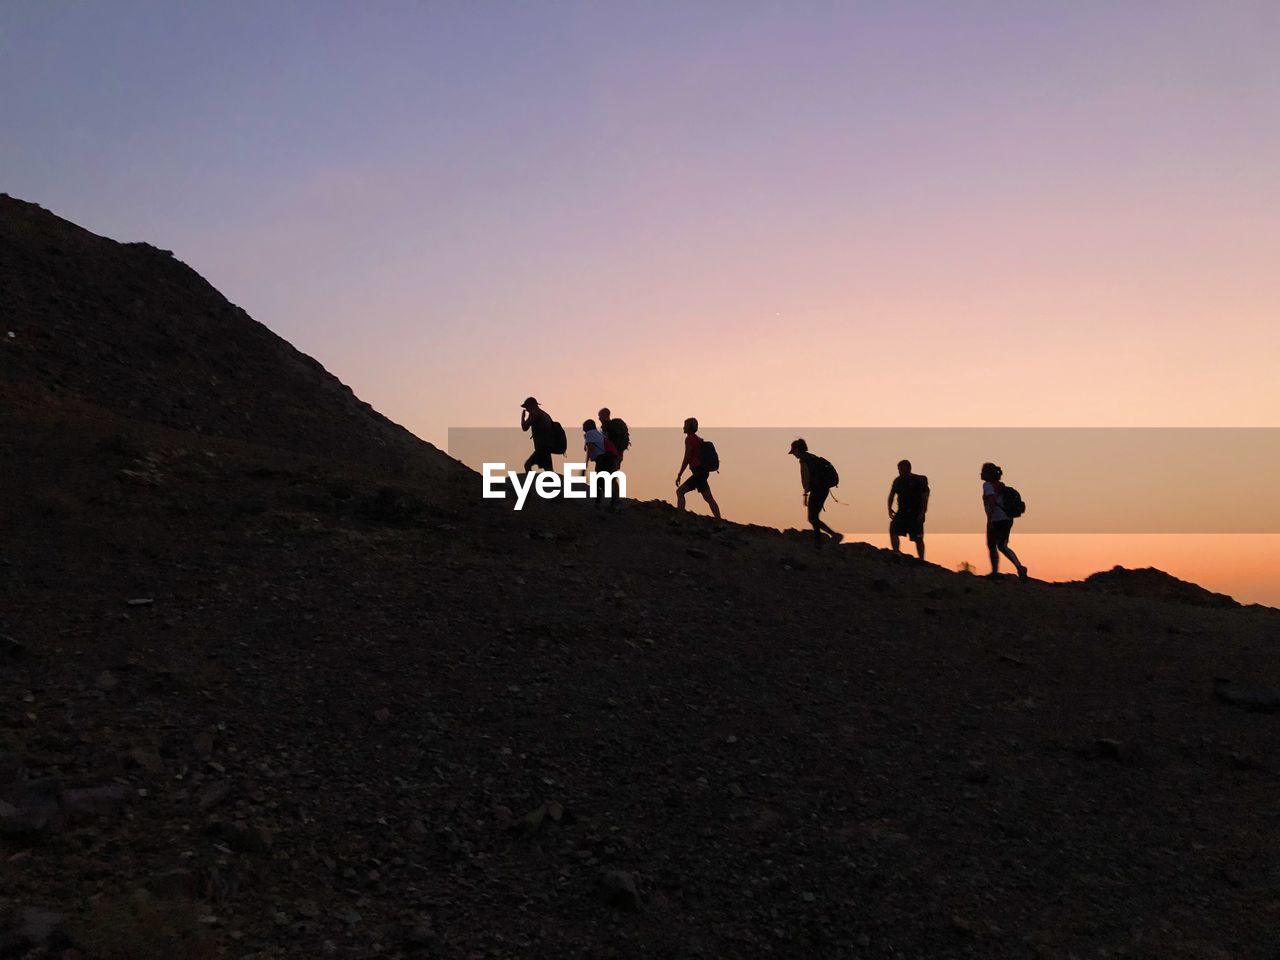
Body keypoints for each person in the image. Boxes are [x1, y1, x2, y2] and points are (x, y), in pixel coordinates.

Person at [788, 439, 843, 547]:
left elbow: (805, 478)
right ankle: (825, 539)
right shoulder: (812, 457)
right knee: (814, 517)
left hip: (818, 490)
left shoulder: (804, 460)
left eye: (794, 451)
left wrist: (805, 495)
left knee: (812, 517)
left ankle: (823, 540)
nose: (793, 454)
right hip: (823, 489)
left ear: (798, 450)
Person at [981, 462, 1028, 579]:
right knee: (1002, 546)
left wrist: (990, 519)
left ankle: (994, 572)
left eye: (983, 471)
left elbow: (991, 501)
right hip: (1007, 519)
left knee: (992, 545)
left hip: (996, 519)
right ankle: (1019, 567)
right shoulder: (1001, 486)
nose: (981, 473)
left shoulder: (987, 485)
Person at [674, 417, 721, 519]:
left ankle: (679, 520)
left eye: (685, 425)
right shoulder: (698, 439)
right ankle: (720, 523)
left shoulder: (689, 439)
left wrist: (679, 474)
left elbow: (687, 457)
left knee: (680, 492)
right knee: (708, 498)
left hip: (699, 473)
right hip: (702, 472)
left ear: (689, 427)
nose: (683, 427)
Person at [887, 459, 930, 559]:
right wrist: (889, 508)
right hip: (902, 511)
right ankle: (896, 552)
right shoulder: (898, 481)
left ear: (909, 469)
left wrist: (922, 512)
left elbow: (925, 497)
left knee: (918, 538)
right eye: (899, 470)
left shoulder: (919, 480)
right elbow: (891, 495)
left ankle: (921, 558)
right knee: (893, 528)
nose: (900, 472)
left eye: (902, 469)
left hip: (915, 512)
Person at [582, 419, 621, 511]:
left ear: (587, 427)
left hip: (604, 458)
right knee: (601, 480)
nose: (583, 428)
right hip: (612, 457)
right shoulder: (598, 433)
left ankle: (608, 501)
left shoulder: (589, 434)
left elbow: (591, 448)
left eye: (584, 426)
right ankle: (607, 501)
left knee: (600, 481)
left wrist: (588, 445)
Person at [520, 397, 554, 473]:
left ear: (531, 405)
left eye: (527, 407)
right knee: (549, 471)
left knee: (527, 465)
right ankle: (554, 484)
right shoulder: (545, 414)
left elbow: (525, 427)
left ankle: (531, 484)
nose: (527, 409)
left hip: (541, 448)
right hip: (547, 447)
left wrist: (522, 417)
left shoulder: (534, 414)